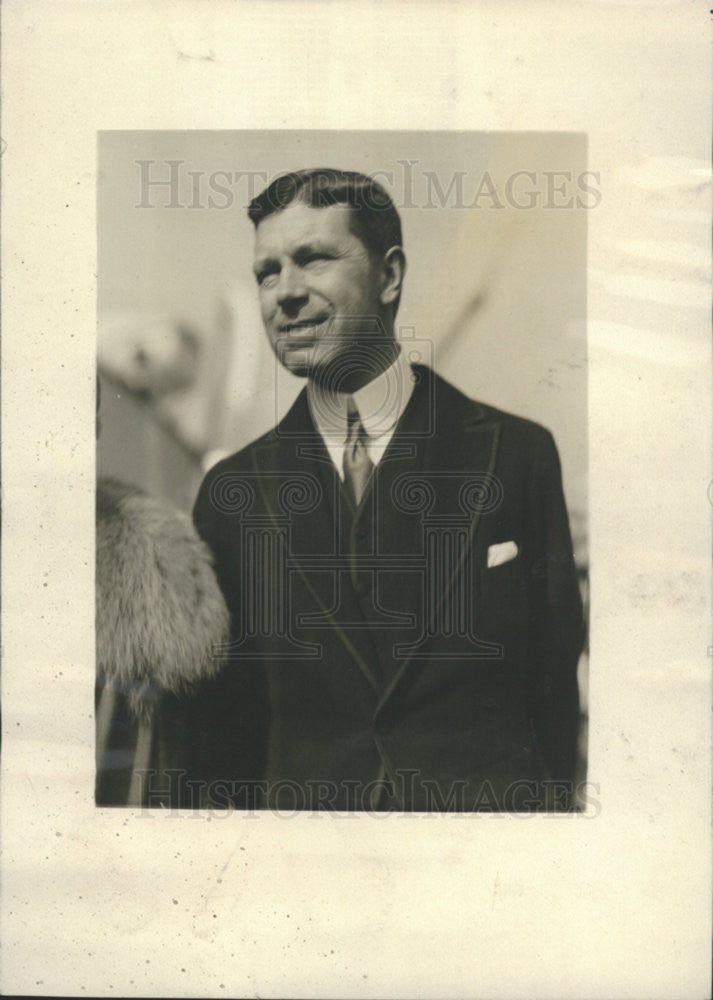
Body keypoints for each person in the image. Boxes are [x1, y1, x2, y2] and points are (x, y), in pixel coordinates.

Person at [191, 168, 584, 812]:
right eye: (267, 271)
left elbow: (552, 696)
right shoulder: (232, 494)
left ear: (390, 275)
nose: (284, 294)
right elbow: (215, 742)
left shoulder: (518, 457)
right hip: (304, 884)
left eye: (313, 259)